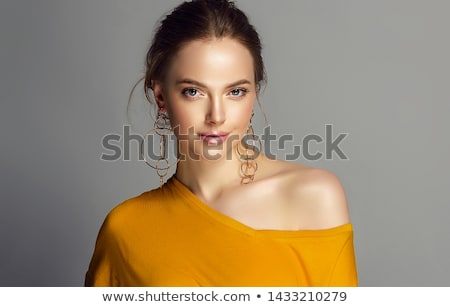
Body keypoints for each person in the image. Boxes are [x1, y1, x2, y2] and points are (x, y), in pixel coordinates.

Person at [85, 0, 358, 286]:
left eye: (236, 91)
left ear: (253, 95)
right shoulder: (125, 229)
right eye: (193, 91)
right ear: (161, 96)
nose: (216, 116)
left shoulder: (312, 195)